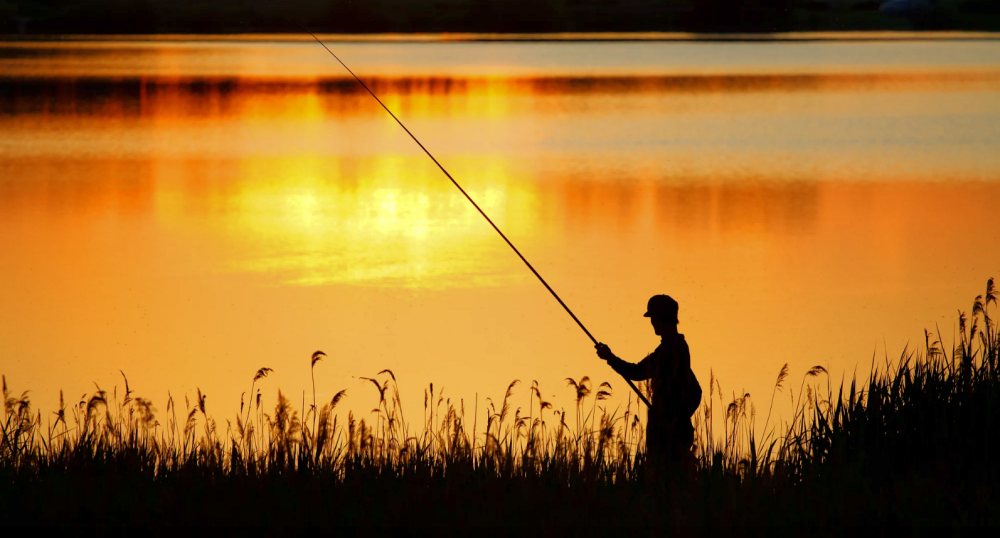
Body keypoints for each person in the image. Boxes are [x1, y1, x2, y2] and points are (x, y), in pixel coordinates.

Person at [595, 294, 701, 473]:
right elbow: (696, 392)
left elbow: (636, 372)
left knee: (664, 477)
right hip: (677, 428)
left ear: (661, 319)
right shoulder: (679, 347)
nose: (652, 323)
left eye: (653, 318)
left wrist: (610, 358)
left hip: (668, 432)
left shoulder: (668, 351)